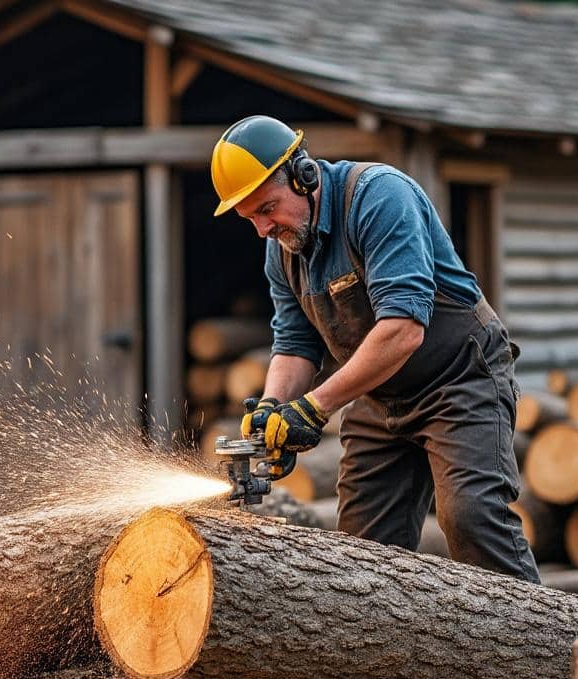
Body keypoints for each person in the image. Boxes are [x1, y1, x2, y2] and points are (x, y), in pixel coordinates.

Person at [210, 115, 539, 582]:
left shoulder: (379, 197)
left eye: (268, 208)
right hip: (380, 392)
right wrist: (272, 410)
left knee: (471, 517)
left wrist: (313, 408)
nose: (263, 228)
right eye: (251, 218)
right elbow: (294, 342)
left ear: (302, 176)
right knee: (361, 553)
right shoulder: (282, 246)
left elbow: (404, 328)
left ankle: (537, 646)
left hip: (459, 376)